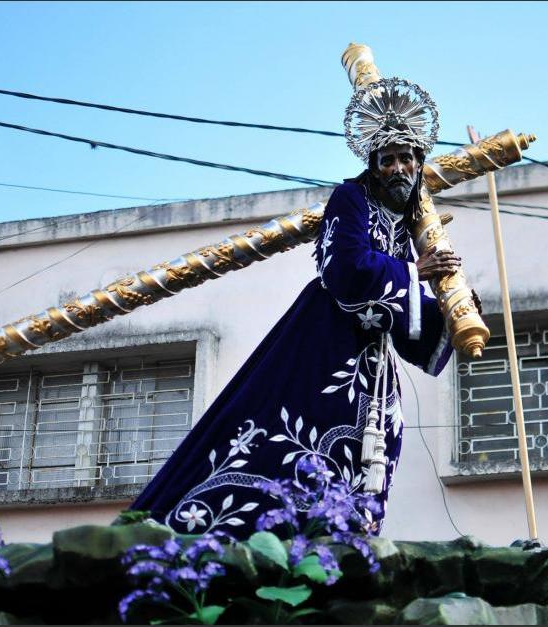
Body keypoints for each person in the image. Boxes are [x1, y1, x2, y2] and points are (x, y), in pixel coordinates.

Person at [129, 74, 466, 537]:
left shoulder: (405, 225)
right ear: (373, 166)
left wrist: (452, 311)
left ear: (418, 164)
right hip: (325, 342)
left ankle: (342, 534)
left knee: (380, 438)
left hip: (373, 358)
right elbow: (343, 268)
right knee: (294, 431)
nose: (397, 169)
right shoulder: (350, 198)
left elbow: (402, 313)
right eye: (387, 160)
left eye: (406, 159)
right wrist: (413, 272)